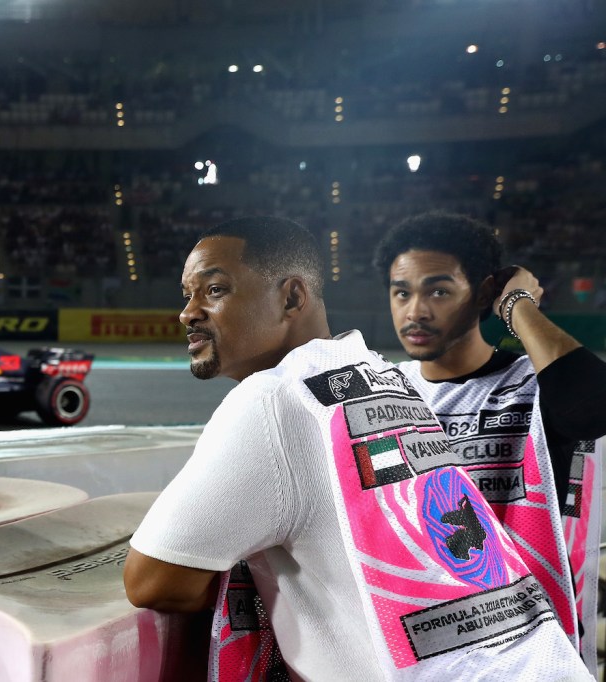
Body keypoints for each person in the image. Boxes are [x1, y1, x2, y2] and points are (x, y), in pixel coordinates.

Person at [124, 216, 591, 681]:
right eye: (188, 295)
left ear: (291, 297)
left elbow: (154, 582)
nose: (188, 313)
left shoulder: (273, 398)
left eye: (215, 290)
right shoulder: (388, 379)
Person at [372, 211, 606, 673]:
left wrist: (517, 303)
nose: (415, 310)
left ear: (482, 293)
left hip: (527, 657)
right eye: (402, 292)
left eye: (438, 291)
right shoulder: (380, 394)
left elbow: (593, 407)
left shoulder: (532, 386)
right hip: (418, 655)